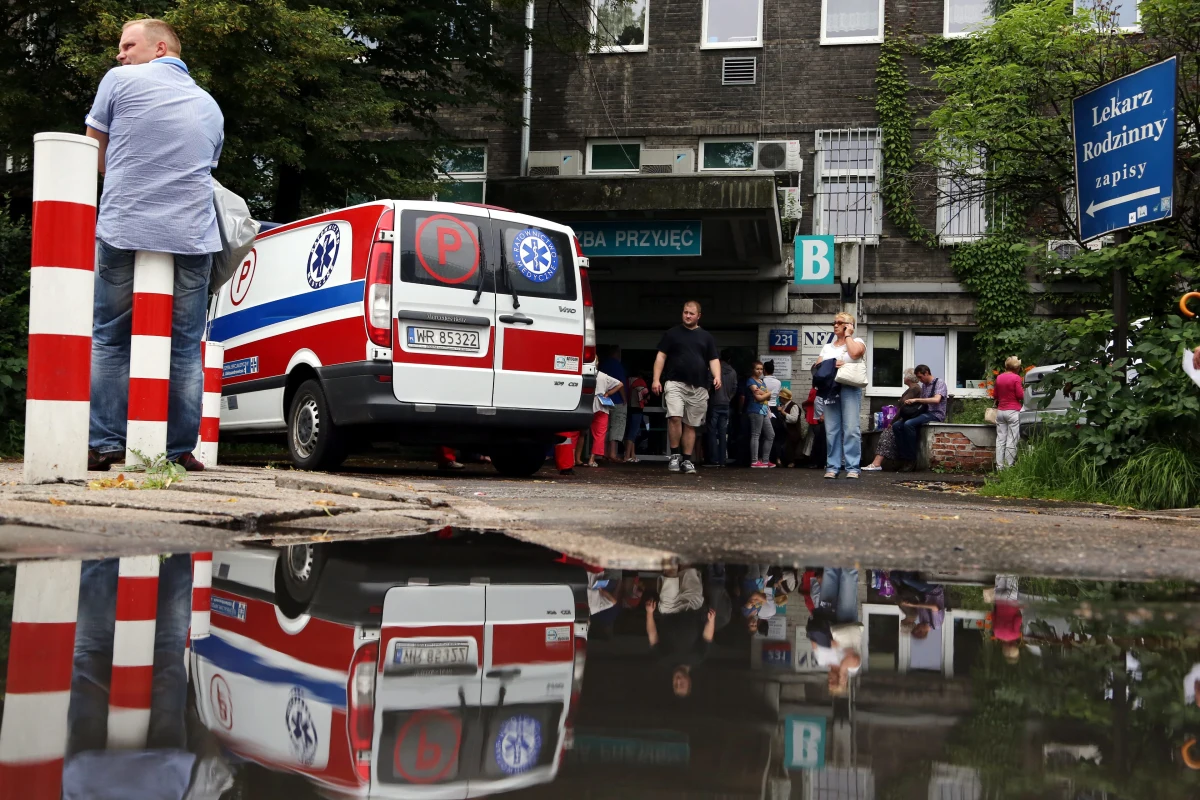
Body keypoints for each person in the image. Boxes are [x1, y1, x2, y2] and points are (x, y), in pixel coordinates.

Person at [84, 19, 225, 473]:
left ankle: (105, 443)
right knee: (184, 346)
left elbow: (93, 152)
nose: (120, 54)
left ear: (160, 47)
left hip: (126, 224)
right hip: (191, 235)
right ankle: (180, 449)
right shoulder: (209, 104)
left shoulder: (119, 82)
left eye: (128, 45)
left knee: (109, 336)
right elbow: (201, 165)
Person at [652, 300, 722, 475]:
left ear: (699, 316)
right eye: (685, 312)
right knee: (675, 417)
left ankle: (687, 460)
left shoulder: (706, 337)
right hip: (674, 383)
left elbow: (713, 359)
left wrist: (717, 376)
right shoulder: (672, 334)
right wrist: (656, 379)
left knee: (691, 424)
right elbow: (661, 356)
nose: (687, 316)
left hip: (698, 387)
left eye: (691, 313)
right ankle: (675, 456)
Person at [645, 572, 717, 698]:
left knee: (670, 574)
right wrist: (711, 621)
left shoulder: (663, 659)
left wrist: (649, 613)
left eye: (675, 685)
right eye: (681, 684)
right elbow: (707, 637)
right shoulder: (698, 658)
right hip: (692, 607)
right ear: (689, 682)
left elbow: (653, 636)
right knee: (688, 568)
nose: (677, 682)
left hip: (669, 609)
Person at [814, 313, 866, 479]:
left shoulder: (857, 342)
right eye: (834, 323)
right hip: (831, 389)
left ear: (849, 325)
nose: (835, 325)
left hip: (850, 387)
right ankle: (833, 466)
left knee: (851, 428)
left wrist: (849, 335)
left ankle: (852, 467)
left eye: (840, 323)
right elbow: (818, 367)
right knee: (832, 429)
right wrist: (832, 363)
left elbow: (856, 353)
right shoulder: (828, 347)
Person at [892, 364, 949, 472]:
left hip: (935, 414)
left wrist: (916, 400)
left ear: (926, 373)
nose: (919, 380)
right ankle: (903, 456)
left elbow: (936, 400)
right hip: (924, 413)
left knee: (909, 424)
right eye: (918, 378)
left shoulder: (939, 383)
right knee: (897, 426)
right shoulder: (924, 386)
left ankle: (911, 459)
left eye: (920, 377)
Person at [863, 369, 922, 471]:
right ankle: (877, 463)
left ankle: (877, 463)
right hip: (904, 419)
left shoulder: (914, 389)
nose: (903, 378)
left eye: (904, 376)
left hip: (907, 419)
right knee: (887, 434)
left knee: (887, 434)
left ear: (908, 378)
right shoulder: (911, 389)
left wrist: (892, 422)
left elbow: (903, 407)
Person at [584, 370, 623, 467]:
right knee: (599, 434)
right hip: (601, 406)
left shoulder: (583, 373)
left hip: (586, 404)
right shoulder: (604, 376)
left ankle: (574, 459)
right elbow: (620, 384)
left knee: (579, 433)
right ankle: (592, 459)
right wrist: (608, 393)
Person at [706, 353, 738, 467]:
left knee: (712, 432)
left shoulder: (714, 371)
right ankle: (722, 460)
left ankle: (713, 459)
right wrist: (728, 398)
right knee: (723, 432)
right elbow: (734, 388)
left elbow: (708, 387)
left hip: (714, 403)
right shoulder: (733, 372)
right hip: (726, 404)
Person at [598, 346, 629, 463]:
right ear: (617, 354)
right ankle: (613, 453)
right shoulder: (618, 366)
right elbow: (620, 383)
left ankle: (602, 453)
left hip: (603, 400)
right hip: (617, 400)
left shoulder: (603, 365)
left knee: (604, 427)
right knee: (617, 426)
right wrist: (624, 398)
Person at [994, 356, 1024, 470]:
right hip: (1013, 411)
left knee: (1000, 440)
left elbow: (995, 395)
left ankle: (999, 467)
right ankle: (1008, 467)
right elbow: (1020, 395)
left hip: (1000, 411)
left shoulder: (999, 378)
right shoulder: (1016, 378)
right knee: (1012, 440)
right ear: (1016, 367)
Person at [745, 361, 776, 468]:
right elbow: (758, 397)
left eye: (761, 369)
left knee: (770, 434)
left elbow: (767, 397)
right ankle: (754, 461)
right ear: (753, 370)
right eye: (757, 369)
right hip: (755, 410)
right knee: (756, 434)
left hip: (764, 410)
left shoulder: (762, 382)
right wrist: (768, 393)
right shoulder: (750, 381)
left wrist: (766, 394)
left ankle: (765, 460)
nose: (759, 371)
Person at [763, 361, 786, 465]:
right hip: (774, 409)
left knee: (764, 435)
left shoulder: (761, 381)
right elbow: (776, 396)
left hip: (764, 408)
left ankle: (763, 457)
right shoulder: (778, 382)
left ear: (764, 370)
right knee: (775, 435)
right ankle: (777, 458)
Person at [623, 372, 650, 463]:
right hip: (637, 408)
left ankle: (632, 455)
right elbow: (646, 394)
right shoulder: (640, 381)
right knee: (633, 433)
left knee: (630, 432)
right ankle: (627, 456)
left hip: (628, 408)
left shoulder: (627, 380)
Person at [778, 388, 803, 466]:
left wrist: (783, 412)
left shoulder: (793, 406)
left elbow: (794, 419)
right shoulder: (783, 406)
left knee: (790, 447)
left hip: (793, 431)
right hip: (785, 431)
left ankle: (791, 462)